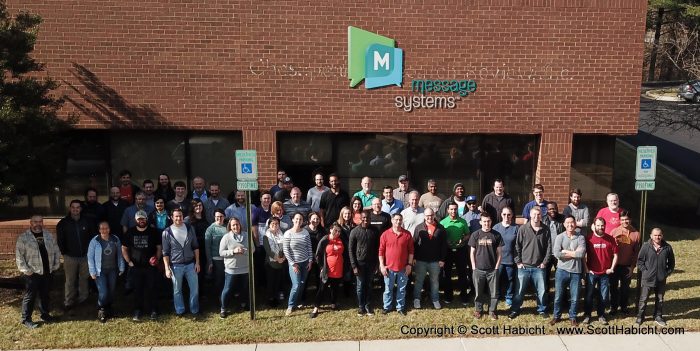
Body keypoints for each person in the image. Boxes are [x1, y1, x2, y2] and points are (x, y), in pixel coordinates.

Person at [16, 215, 61, 329]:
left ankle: (45, 314)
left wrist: (56, 264)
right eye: (35, 222)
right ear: (31, 223)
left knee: (45, 295)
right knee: (30, 296)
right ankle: (26, 319)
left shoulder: (48, 235)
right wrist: (26, 270)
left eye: (40, 221)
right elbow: (19, 256)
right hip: (32, 273)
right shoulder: (24, 237)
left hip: (47, 271)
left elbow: (56, 249)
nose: (38, 224)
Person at [509, 207, 551, 320]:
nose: (536, 217)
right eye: (534, 214)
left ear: (541, 215)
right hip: (524, 267)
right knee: (519, 291)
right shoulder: (523, 229)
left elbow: (549, 248)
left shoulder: (546, 229)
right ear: (530, 215)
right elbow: (517, 246)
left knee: (541, 291)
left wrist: (544, 263)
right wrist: (518, 262)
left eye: (539, 214)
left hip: (539, 267)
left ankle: (542, 310)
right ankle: (515, 309)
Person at [121, 210, 161, 321]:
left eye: (143, 218)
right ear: (135, 220)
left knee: (152, 288)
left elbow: (159, 247)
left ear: (146, 219)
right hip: (136, 267)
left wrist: (157, 259)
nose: (141, 220)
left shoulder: (153, 231)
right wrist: (129, 261)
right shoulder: (130, 232)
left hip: (150, 266)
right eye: (139, 219)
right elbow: (124, 248)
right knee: (138, 289)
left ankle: (153, 310)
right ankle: (138, 310)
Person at [56, 199, 95, 310]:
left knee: (84, 279)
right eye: (73, 207)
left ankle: (83, 299)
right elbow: (60, 240)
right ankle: (68, 301)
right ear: (70, 208)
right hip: (70, 257)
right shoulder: (63, 223)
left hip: (85, 256)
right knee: (70, 280)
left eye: (78, 207)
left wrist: (89, 252)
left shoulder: (87, 221)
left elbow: (92, 237)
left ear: (80, 209)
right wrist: (65, 253)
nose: (75, 209)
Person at [162, 208, 201, 316]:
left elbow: (196, 247)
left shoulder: (189, 228)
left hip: (190, 264)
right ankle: (180, 310)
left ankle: (194, 309)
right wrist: (166, 268)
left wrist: (197, 262)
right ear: (172, 217)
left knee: (194, 289)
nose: (179, 218)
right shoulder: (166, 232)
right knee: (177, 290)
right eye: (176, 216)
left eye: (180, 216)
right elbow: (165, 252)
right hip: (175, 266)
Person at [550, 215, 586, 326]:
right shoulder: (560, 237)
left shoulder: (581, 237)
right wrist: (574, 253)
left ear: (575, 224)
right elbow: (556, 253)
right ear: (564, 224)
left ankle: (573, 317)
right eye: (567, 223)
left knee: (575, 297)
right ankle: (556, 316)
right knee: (558, 296)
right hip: (562, 270)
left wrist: (566, 252)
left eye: (572, 222)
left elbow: (581, 254)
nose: (570, 225)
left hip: (576, 271)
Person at [87, 221, 125, 323]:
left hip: (113, 269)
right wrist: (92, 271)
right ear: (99, 230)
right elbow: (90, 257)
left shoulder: (115, 239)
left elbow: (120, 254)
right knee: (103, 291)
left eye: (106, 228)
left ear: (109, 229)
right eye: (102, 228)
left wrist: (121, 266)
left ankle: (109, 307)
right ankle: (101, 308)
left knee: (112, 290)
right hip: (100, 271)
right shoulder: (95, 241)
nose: (104, 230)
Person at [636, 228, 675, 327]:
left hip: (661, 279)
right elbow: (639, 261)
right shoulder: (646, 246)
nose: (657, 237)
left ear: (662, 236)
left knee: (660, 299)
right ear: (651, 236)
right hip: (647, 279)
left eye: (659, 235)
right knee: (643, 299)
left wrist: (665, 274)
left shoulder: (667, 247)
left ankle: (658, 316)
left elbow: (671, 264)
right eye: (655, 235)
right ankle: (640, 317)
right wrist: (645, 271)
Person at [582, 217, 618, 325]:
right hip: (592, 273)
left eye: (602, 225)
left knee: (604, 295)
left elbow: (616, 255)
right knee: (589, 295)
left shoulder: (610, 239)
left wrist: (611, 268)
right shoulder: (589, 239)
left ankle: (601, 315)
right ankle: (587, 315)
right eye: (598, 225)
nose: (600, 227)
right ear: (594, 226)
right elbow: (583, 255)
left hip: (605, 274)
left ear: (605, 226)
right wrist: (587, 269)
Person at [469, 213, 503, 320]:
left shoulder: (496, 235)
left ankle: (492, 311)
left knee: (494, 293)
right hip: (478, 269)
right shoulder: (475, 234)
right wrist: (474, 267)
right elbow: (472, 252)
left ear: (491, 221)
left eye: (488, 221)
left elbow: (499, 253)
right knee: (478, 292)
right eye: (484, 221)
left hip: (492, 269)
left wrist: (497, 267)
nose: (486, 223)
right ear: (480, 222)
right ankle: (478, 310)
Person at [379, 213, 414, 315]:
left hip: (403, 268)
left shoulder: (407, 234)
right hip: (389, 268)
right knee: (388, 290)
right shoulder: (385, 234)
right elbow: (381, 251)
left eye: (400, 220)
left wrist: (409, 264)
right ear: (392, 220)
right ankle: (387, 307)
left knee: (401, 289)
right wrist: (382, 265)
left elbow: (411, 251)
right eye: (396, 220)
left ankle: (400, 307)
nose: (398, 222)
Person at [412, 208, 446, 310]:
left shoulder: (440, 228)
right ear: (424, 216)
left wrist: (442, 259)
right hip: (421, 260)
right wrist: (414, 257)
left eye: (431, 215)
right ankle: (416, 299)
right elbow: (414, 243)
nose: (429, 217)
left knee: (435, 281)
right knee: (419, 281)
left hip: (435, 261)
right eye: (427, 216)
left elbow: (443, 245)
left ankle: (435, 299)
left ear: (434, 215)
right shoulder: (419, 227)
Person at [309, 223, 345, 318]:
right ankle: (316, 308)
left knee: (335, 288)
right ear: (330, 230)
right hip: (327, 270)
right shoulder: (325, 240)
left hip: (338, 269)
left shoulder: (340, 240)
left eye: (339, 231)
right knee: (322, 289)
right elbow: (318, 255)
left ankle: (333, 304)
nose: (337, 233)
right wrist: (321, 267)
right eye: (335, 230)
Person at [219, 217, 252, 317]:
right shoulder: (226, 237)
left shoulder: (247, 235)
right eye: (233, 225)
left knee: (244, 288)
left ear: (240, 225)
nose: (235, 227)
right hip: (231, 269)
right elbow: (221, 252)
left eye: (237, 224)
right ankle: (223, 308)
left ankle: (244, 303)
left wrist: (244, 251)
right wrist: (233, 251)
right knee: (228, 289)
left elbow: (253, 249)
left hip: (245, 268)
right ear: (230, 226)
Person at [439, 202, 471, 305]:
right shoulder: (443, 223)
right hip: (447, 251)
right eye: (451, 209)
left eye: (455, 209)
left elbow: (468, 234)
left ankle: (463, 296)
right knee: (447, 274)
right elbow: (440, 237)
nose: (453, 211)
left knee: (462, 274)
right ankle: (448, 296)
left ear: (457, 210)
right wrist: (445, 241)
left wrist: (463, 239)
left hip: (460, 251)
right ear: (448, 210)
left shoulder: (462, 222)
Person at [610, 210, 640, 316]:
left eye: (626, 219)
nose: (624, 221)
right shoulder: (614, 232)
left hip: (627, 266)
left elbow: (636, 253)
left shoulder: (636, 234)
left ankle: (624, 307)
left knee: (625, 289)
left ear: (630, 220)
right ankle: (613, 307)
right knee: (613, 287)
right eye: (622, 219)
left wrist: (632, 268)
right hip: (615, 265)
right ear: (619, 220)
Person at [349, 211, 379, 316]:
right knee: (360, 286)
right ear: (360, 218)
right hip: (359, 263)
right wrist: (354, 266)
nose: (366, 220)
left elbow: (377, 248)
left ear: (370, 219)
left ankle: (368, 306)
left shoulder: (375, 231)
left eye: (368, 218)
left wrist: (377, 264)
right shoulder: (354, 231)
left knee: (369, 285)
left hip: (371, 263)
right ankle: (361, 307)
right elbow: (351, 250)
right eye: (364, 218)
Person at [283, 212, 313, 316]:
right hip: (294, 264)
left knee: (302, 283)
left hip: (305, 262)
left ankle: (297, 302)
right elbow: (286, 250)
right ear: (293, 220)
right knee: (296, 285)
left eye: (300, 219)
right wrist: (292, 264)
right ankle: (290, 306)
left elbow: (309, 247)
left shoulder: (305, 232)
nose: (298, 221)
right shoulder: (288, 233)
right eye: (296, 219)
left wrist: (310, 260)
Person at [263, 217, 287, 307]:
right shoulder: (266, 236)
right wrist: (278, 258)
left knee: (278, 281)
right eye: (272, 223)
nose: (275, 225)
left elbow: (284, 247)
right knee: (271, 282)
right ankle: (270, 299)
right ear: (269, 225)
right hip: (271, 263)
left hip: (280, 263)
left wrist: (284, 256)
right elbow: (268, 251)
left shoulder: (281, 235)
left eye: (276, 223)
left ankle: (275, 297)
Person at [205, 209, 228, 299]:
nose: (219, 218)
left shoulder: (227, 227)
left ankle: (225, 296)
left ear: (224, 217)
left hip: (228, 257)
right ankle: (219, 297)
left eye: (221, 216)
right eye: (217, 216)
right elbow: (207, 247)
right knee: (219, 279)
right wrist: (210, 261)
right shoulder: (210, 229)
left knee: (226, 278)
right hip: (216, 258)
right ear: (214, 217)